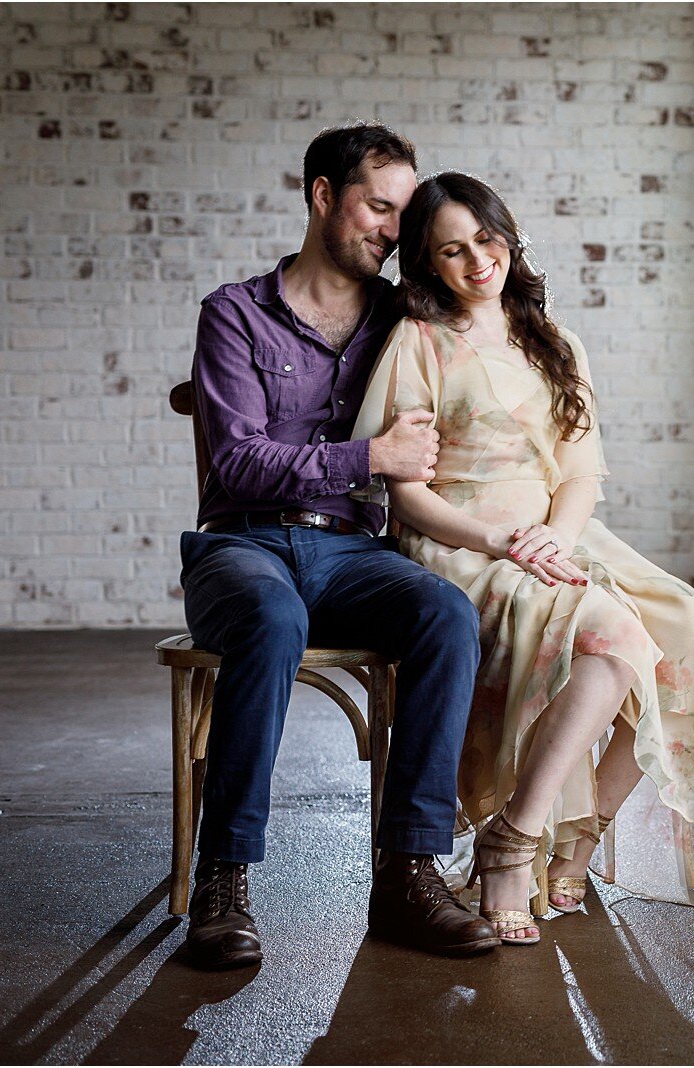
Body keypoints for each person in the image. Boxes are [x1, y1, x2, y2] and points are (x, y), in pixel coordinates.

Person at [351, 172, 694, 945]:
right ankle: (514, 842)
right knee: (614, 636)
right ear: (427, 264)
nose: (477, 263)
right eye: (452, 252)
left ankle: (581, 835)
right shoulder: (420, 341)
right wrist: (502, 542)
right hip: (462, 540)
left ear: (510, 236)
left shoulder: (555, 342)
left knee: (688, 627)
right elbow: (407, 495)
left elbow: (578, 475)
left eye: (487, 241)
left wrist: (556, 539)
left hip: (557, 531)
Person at [181, 125, 499, 969]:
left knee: (443, 611)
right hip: (241, 548)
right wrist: (369, 457)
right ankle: (223, 882)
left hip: (354, 553)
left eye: (403, 213)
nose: (393, 231)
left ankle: (407, 874)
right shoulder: (235, 314)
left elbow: (496, 356)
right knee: (272, 614)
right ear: (323, 194)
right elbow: (238, 462)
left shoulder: (406, 318)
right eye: (377, 206)